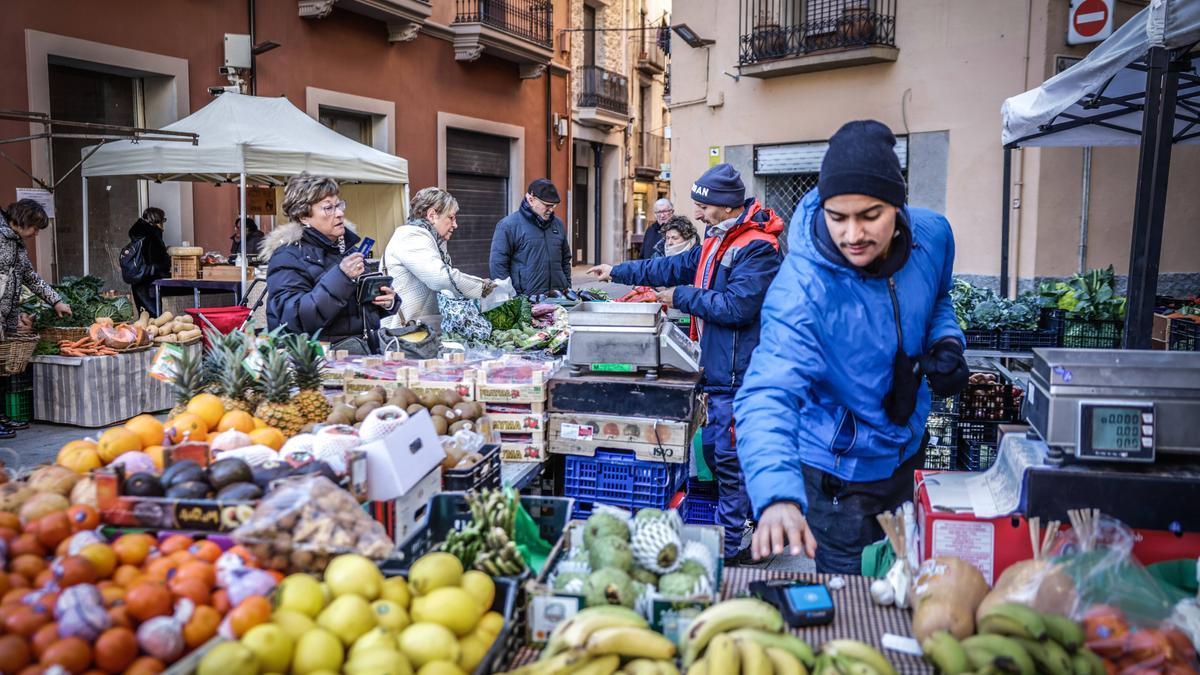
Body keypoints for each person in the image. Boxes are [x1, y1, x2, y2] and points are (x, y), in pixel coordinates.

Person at [733, 120, 969, 574]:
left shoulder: (933, 236)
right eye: (837, 217)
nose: (853, 235)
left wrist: (946, 340)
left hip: (908, 448)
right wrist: (778, 495)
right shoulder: (803, 289)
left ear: (898, 207)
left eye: (870, 215)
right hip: (838, 475)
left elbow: (939, 297)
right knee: (852, 602)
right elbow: (767, 393)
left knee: (904, 577)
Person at [588, 163, 784, 564]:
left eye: (702, 206)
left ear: (725, 207)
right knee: (716, 453)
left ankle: (736, 548)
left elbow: (737, 307)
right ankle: (752, 526)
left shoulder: (758, 248)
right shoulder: (719, 239)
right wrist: (618, 271)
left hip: (742, 372)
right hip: (719, 369)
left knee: (730, 459)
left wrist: (680, 297)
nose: (696, 214)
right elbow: (670, 266)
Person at [263, 173, 397, 346]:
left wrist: (385, 302)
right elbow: (294, 318)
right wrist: (341, 277)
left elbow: (355, 312)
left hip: (361, 353)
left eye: (339, 205)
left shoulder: (347, 249)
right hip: (319, 362)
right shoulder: (287, 256)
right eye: (329, 208)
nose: (340, 213)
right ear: (304, 216)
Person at [0, 200, 71, 437]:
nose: (36, 232)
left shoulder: (16, 243)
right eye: (35, 227)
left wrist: (56, 300)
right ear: (22, 220)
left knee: (2, 369)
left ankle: (2, 416)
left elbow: (30, 276)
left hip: (6, 315)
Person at [381, 187, 496, 329]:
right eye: (451, 217)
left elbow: (445, 286)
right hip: (402, 335)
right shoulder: (411, 237)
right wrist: (482, 286)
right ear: (432, 215)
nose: (455, 224)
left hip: (418, 332)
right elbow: (440, 277)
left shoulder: (431, 239)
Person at [489, 179, 571, 296]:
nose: (551, 209)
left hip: (559, 299)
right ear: (531, 199)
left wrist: (567, 287)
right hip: (526, 302)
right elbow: (498, 266)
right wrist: (512, 299)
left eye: (553, 205)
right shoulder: (508, 225)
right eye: (547, 205)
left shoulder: (558, 224)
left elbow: (565, 260)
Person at [123, 207, 171, 313]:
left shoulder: (139, 236)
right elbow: (160, 262)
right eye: (163, 220)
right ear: (158, 221)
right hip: (149, 282)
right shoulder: (152, 237)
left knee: (144, 316)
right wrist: (169, 259)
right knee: (153, 319)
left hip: (138, 280)